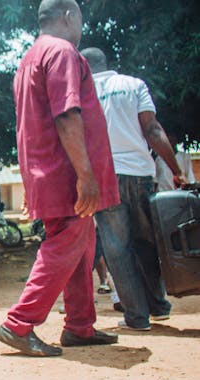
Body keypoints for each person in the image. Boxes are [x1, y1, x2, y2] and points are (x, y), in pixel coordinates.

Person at [0, 0, 119, 356]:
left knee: (81, 243)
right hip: (64, 172)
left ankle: (80, 326)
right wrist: (86, 176)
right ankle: (19, 324)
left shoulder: (30, 57)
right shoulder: (62, 51)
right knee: (69, 240)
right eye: (80, 17)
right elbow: (67, 115)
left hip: (45, 169)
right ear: (69, 17)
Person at [81, 47, 180, 331]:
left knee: (116, 249)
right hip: (140, 173)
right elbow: (153, 130)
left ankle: (137, 318)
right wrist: (177, 170)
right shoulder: (134, 84)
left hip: (104, 178)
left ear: (84, 68)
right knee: (147, 241)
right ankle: (158, 306)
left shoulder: (81, 94)